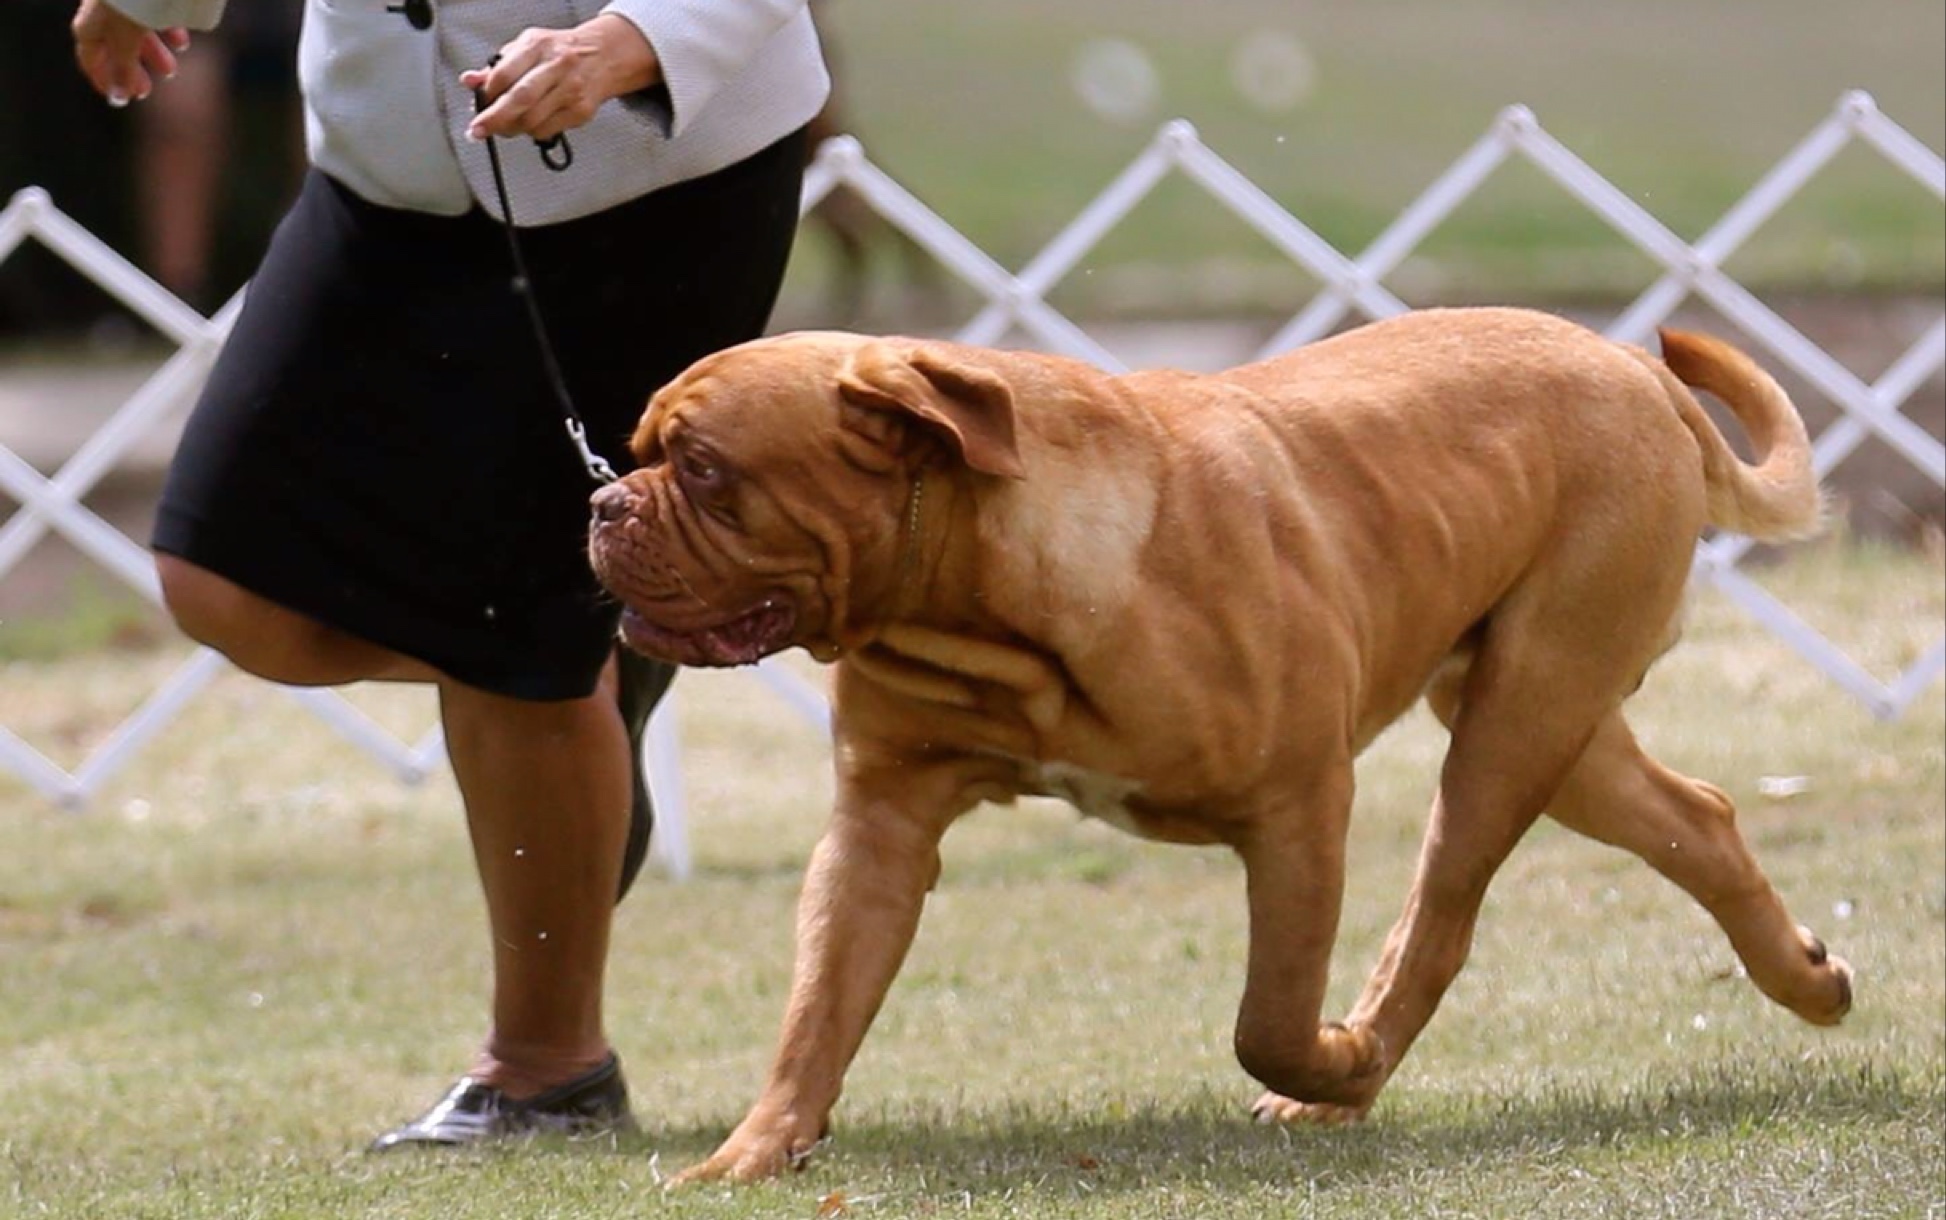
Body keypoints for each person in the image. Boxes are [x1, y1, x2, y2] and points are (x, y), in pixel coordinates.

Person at [68, 0, 828, 1147]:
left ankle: (547, 1072)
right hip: (387, 161)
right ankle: (583, 684)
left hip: (649, 172)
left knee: (516, 636)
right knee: (220, 572)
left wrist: (627, 42)